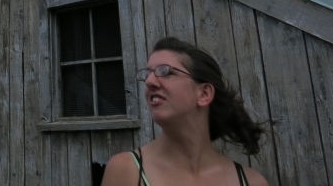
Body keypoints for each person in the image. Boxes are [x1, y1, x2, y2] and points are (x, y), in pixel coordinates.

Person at [101, 36, 269, 186]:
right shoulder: (126, 171)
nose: (149, 81)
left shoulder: (252, 181)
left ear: (204, 94)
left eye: (165, 71)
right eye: (148, 74)